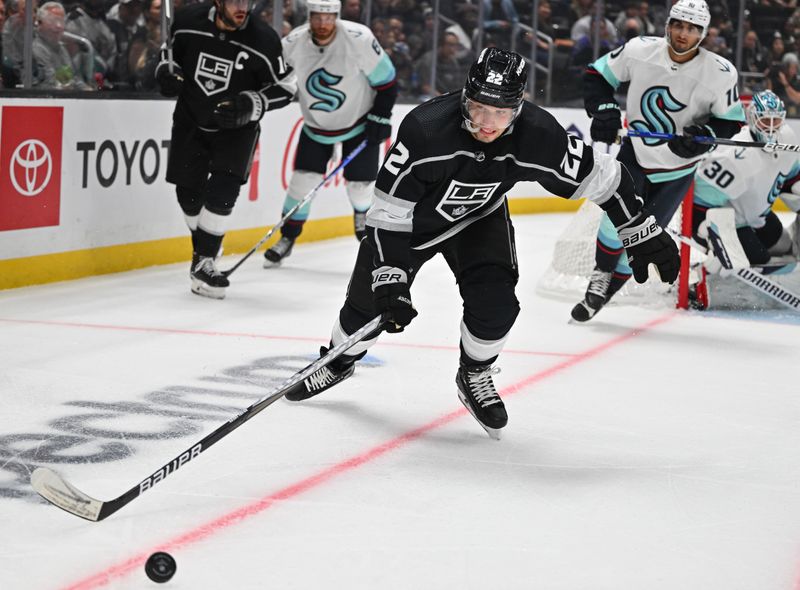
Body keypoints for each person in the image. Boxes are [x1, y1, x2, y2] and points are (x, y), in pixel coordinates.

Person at [280, 48, 680, 440]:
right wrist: (390, 277)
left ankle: (473, 373)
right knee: (366, 308)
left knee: (497, 305)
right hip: (410, 226)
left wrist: (639, 229)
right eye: (479, 109)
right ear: (465, 98)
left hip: (478, 220)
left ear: (518, 108)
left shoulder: (538, 135)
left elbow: (605, 178)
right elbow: (387, 213)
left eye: (501, 113)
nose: (489, 123)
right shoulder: (426, 129)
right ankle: (338, 360)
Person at [572, 0, 745, 322]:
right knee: (615, 221)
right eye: (678, 25)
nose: (683, 34)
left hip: (677, 170)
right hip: (634, 156)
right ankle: (600, 276)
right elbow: (597, 75)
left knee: (645, 236)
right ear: (667, 25)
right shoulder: (640, 50)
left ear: (703, 33)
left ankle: (604, 295)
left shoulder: (720, 73)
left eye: (693, 28)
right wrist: (604, 109)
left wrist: (702, 135)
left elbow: (731, 122)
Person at [155, 0, 297, 298]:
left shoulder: (263, 38)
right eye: (234, 1)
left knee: (223, 191)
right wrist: (165, 73)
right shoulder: (188, 20)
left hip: (237, 129)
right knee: (187, 195)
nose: (242, 7)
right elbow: (170, 56)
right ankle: (205, 247)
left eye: (247, 1)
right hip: (191, 121)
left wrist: (253, 103)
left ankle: (204, 262)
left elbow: (286, 87)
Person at [262, 0, 397, 267]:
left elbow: (388, 81)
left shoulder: (358, 39)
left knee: (361, 189)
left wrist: (381, 115)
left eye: (328, 17)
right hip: (316, 126)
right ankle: (287, 237)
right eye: (317, 17)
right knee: (301, 183)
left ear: (336, 15)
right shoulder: (293, 43)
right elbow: (277, 81)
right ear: (308, 16)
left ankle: (363, 222)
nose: (323, 24)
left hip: (359, 124)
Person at [693, 91, 800, 271]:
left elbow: (792, 179)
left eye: (777, 120)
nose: (772, 127)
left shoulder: (787, 136)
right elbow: (700, 201)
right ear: (752, 118)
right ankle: (703, 272)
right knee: (760, 264)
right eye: (765, 120)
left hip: (760, 218)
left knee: (785, 246)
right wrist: (710, 237)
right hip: (736, 223)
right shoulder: (733, 156)